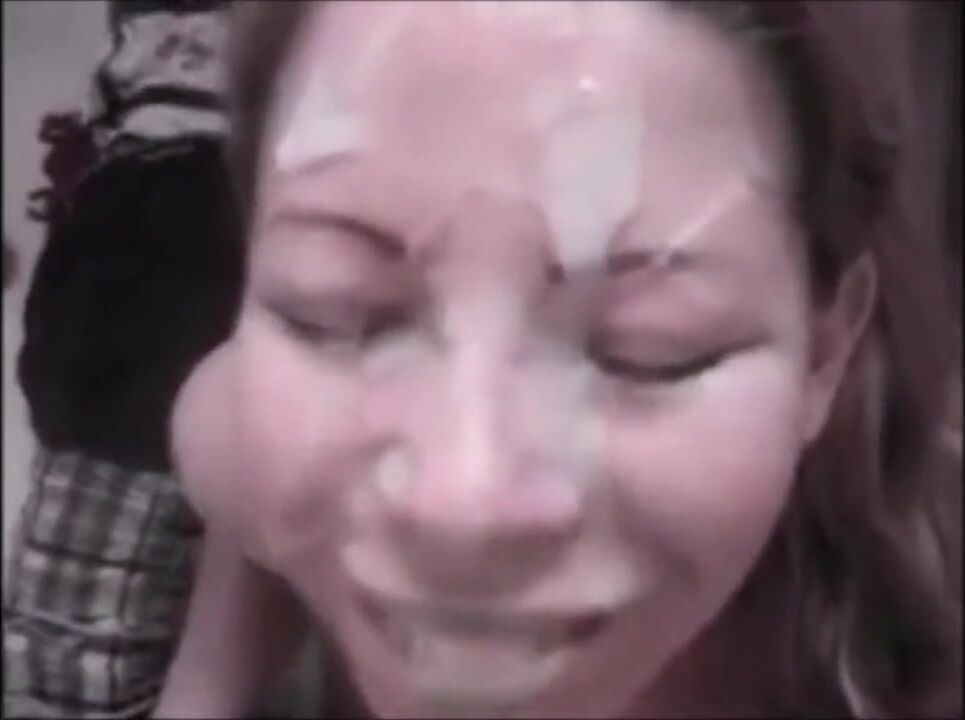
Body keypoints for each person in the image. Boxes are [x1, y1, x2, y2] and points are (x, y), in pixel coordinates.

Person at [155, 1, 962, 718]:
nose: (463, 502)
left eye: (650, 351)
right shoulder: (233, 434)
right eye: (335, 313)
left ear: (825, 352)